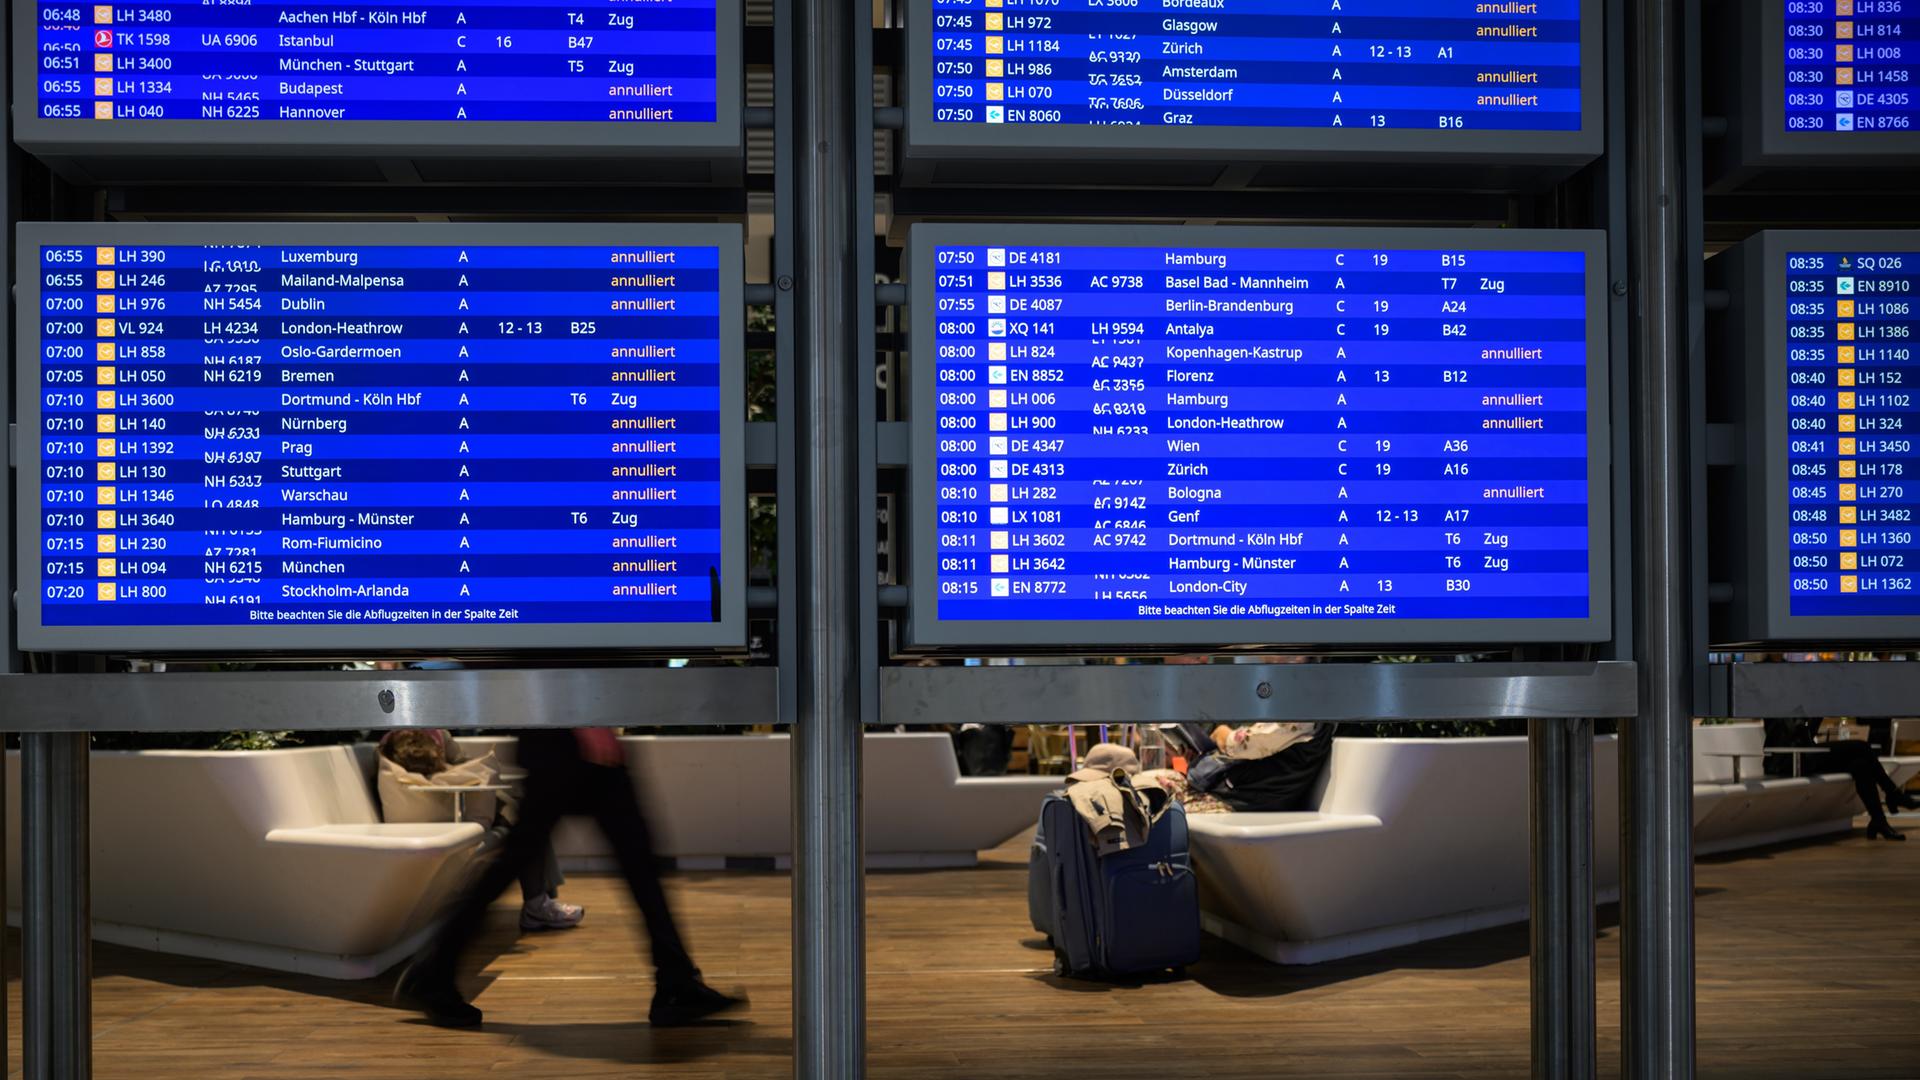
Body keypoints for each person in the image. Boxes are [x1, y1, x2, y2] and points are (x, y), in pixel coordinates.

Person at [397, 728, 743, 1028]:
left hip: (564, 736)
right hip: (568, 740)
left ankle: (677, 981)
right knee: (634, 862)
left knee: (626, 862)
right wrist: (588, 726)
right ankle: (676, 983)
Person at [377, 729, 584, 931]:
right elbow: (460, 767)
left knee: (527, 819)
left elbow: (459, 764)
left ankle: (538, 900)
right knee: (525, 820)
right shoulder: (411, 739)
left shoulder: (427, 736)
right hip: (445, 807)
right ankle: (538, 902)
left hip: (451, 802)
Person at [1764, 718, 1920, 840]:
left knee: (1861, 765)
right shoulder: (1779, 700)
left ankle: (1879, 820)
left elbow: (1808, 732)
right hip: (1784, 760)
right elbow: (1795, 730)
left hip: (1806, 755)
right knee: (1862, 747)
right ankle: (1894, 795)